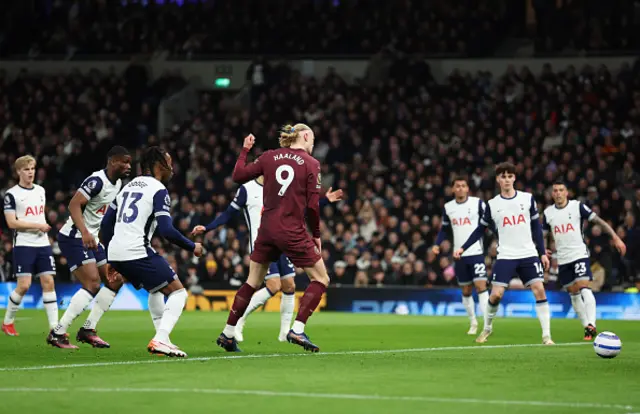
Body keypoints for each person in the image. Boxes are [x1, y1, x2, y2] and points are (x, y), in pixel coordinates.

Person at [217, 125, 330, 353]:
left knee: (252, 282)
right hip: (292, 230)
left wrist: (245, 150)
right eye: (313, 140)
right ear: (305, 136)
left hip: (266, 230)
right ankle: (297, 329)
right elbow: (312, 206)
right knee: (321, 278)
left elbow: (238, 176)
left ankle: (228, 333)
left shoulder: (269, 156)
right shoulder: (311, 163)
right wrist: (316, 234)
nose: (313, 145)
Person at [192, 176, 342, 343]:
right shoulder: (246, 189)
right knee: (273, 285)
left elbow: (300, 208)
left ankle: (285, 332)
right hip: (262, 244)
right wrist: (207, 227)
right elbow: (228, 214)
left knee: (289, 285)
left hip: (283, 241)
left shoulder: (279, 187)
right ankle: (240, 320)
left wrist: (325, 201)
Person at [100, 147, 203, 357]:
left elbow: (105, 226)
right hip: (136, 250)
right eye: (169, 163)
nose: (172, 169)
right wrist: (193, 247)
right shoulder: (158, 189)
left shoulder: (126, 188)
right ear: (159, 165)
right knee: (178, 292)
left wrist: (111, 258)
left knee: (156, 289)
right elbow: (167, 230)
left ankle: (161, 338)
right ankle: (161, 338)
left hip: (117, 251)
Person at [454, 162, 554, 345]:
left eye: (510, 176)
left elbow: (536, 229)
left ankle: (546, 336)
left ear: (514, 178)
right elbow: (480, 229)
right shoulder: (492, 204)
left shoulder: (527, 199)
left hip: (528, 253)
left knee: (539, 290)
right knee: (496, 295)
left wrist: (542, 253)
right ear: (498, 179)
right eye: (503, 176)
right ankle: (487, 328)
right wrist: (463, 247)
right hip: (506, 255)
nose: (507, 179)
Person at [50, 146, 132, 349]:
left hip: (93, 239)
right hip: (74, 236)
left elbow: (102, 217)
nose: (128, 166)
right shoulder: (96, 181)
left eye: (129, 162)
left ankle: (88, 329)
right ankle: (57, 333)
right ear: (113, 161)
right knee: (93, 283)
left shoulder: (119, 184)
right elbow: (73, 205)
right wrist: (85, 232)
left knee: (115, 281)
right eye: (125, 162)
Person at [542, 180, 626, 340]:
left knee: (583, 286)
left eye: (561, 190)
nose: (558, 193)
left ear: (567, 192)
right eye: (555, 191)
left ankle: (592, 323)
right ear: (552, 194)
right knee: (573, 293)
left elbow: (599, 221)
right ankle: (587, 327)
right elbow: (543, 235)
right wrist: (543, 250)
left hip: (579, 254)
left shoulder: (577, 206)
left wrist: (615, 237)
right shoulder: (548, 213)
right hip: (562, 258)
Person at [2, 155, 58, 337]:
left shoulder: (40, 190)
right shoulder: (11, 194)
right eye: (26, 169)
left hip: (42, 243)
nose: (30, 172)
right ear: (18, 171)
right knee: (24, 286)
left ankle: (55, 328)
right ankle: (8, 322)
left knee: (49, 282)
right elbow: (11, 223)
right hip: (24, 244)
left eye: (32, 169)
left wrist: (44, 230)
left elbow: (39, 216)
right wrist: (37, 226)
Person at [432, 176, 488, 335]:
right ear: (453, 189)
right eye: (457, 186)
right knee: (466, 290)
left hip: (476, 252)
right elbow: (444, 229)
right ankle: (473, 322)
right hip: (459, 255)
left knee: (481, 286)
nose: (460, 188)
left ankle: (487, 324)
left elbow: (488, 223)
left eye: (463, 186)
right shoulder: (448, 207)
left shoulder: (477, 203)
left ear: (468, 188)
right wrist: (437, 244)